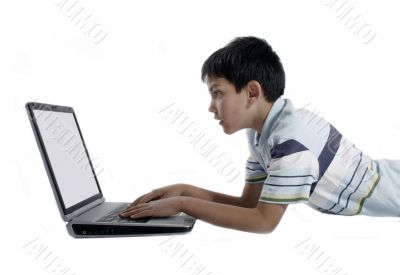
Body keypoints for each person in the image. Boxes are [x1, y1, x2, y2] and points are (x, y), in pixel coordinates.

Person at [120, 36, 400, 234]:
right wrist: (183, 190)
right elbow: (250, 204)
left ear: (252, 92)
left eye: (217, 93)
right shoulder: (262, 136)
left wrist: (183, 204)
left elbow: (263, 221)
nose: (210, 107)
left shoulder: (292, 144)